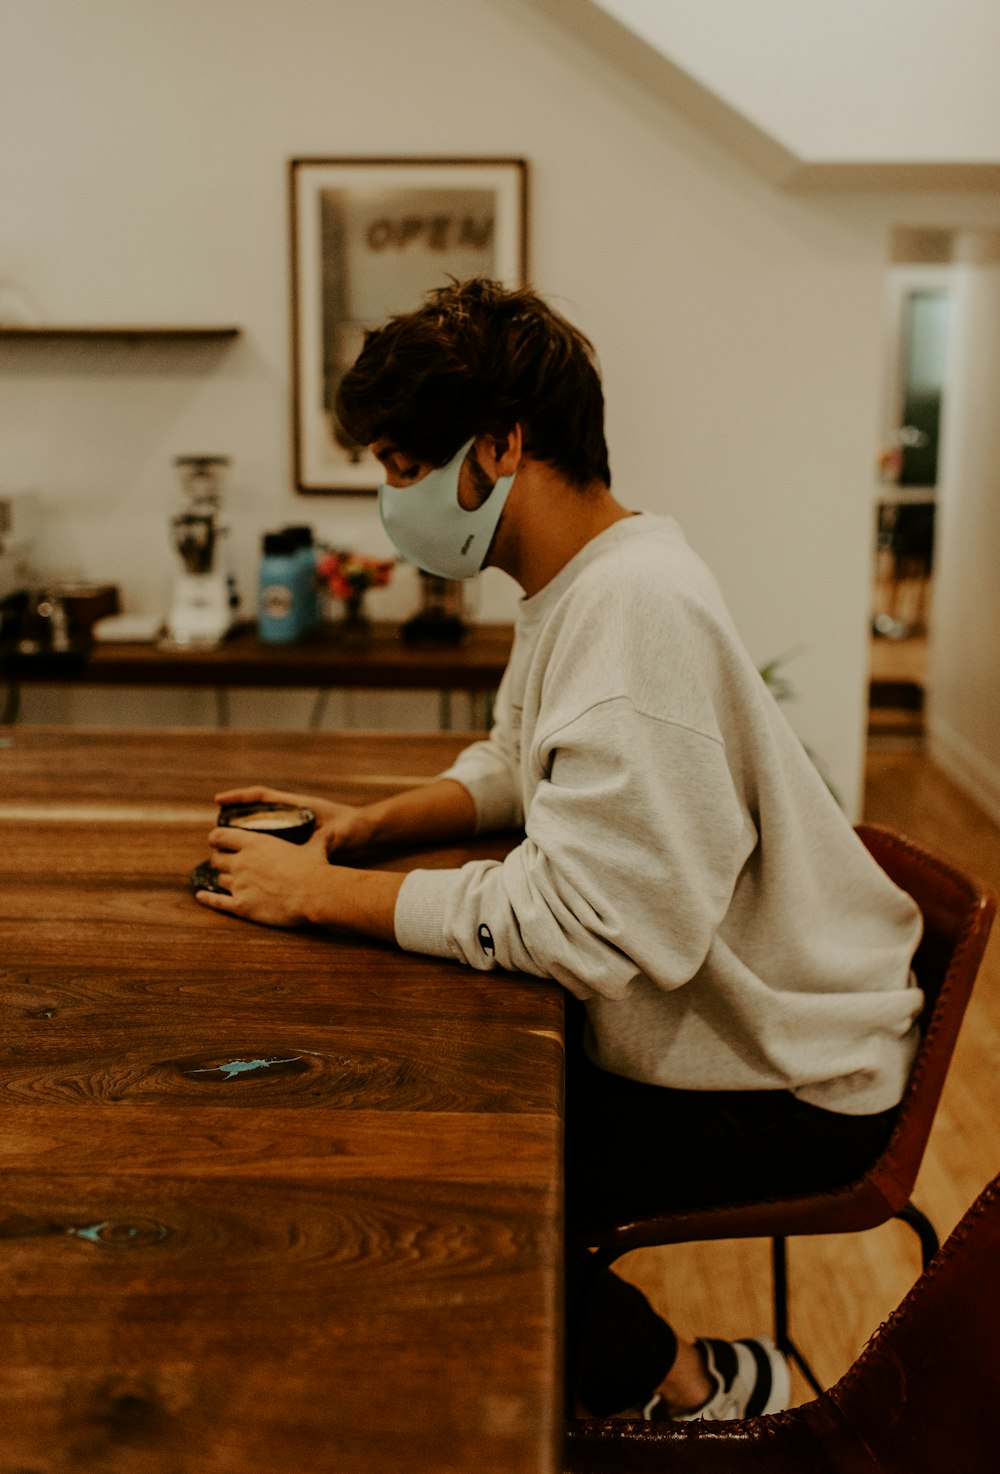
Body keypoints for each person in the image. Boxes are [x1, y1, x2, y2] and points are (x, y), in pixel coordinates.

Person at [197, 278, 923, 1422]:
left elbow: (589, 927)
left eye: (398, 466)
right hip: (737, 1029)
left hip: (789, 1080)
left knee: (428, 1193)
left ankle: (701, 1390)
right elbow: (520, 756)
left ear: (499, 445)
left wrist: (324, 897)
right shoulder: (586, 578)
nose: (390, 502)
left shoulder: (637, 614)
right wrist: (371, 827)